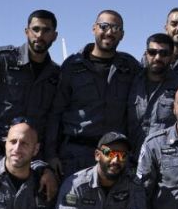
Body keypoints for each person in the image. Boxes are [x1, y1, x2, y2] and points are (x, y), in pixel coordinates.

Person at [46, 10, 142, 177]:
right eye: (104, 26)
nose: (110, 32)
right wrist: (51, 154)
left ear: (122, 35)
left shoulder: (130, 67)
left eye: (116, 28)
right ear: (94, 29)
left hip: (114, 157)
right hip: (76, 155)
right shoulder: (72, 66)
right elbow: (55, 113)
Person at [0, 10, 61, 159]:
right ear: (26, 32)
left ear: (54, 36)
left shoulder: (56, 74)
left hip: (32, 158)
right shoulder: (1, 59)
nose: (40, 35)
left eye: (46, 30)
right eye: (35, 29)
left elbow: (55, 119)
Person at [126, 33, 178, 164]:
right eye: (152, 52)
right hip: (131, 161)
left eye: (164, 53)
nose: (157, 57)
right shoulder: (131, 81)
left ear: (172, 56)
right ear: (146, 53)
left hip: (166, 161)